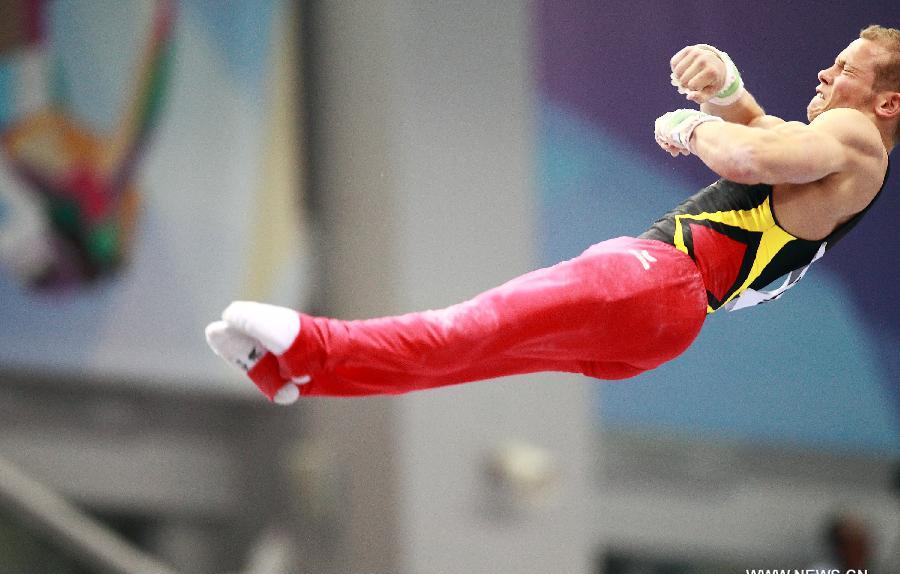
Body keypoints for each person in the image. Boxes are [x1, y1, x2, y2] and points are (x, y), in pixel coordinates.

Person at [207, 26, 899, 404]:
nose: (824, 76)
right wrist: (728, 87)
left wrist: (692, 126)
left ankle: (312, 346)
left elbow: (747, 160)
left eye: (844, 70)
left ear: (886, 103)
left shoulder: (857, 138)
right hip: (662, 329)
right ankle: (298, 373)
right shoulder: (841, 163)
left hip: (655, 280)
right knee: (465, 360)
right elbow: (764, 140)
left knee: (462, 332)